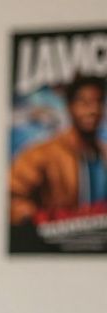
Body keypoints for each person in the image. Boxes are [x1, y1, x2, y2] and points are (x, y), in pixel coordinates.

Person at [10, 74, 107, 224]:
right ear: (70, 106)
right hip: (54, 243)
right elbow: (12, 194)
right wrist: (37, 221)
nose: (93, 110)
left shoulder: (103, 153)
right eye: (85, 103)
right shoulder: (44, 153)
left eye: (98, 102)